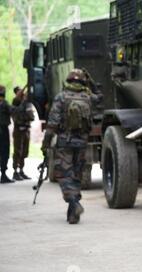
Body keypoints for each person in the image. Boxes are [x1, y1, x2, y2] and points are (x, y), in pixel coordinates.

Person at [41, 69, 100, 224]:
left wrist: (46, 143)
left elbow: (52, 122)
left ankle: (74, 203)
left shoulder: (61, 97)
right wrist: (91, 81)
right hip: (82, 143)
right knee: (76, 174)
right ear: (82, 82)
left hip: (65, 143)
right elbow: (100, 97)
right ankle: (72, 214)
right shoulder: (88, 97)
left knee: (65, 175)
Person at [11, 86, 35, 180]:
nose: (22, 93)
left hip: (26, 129)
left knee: (24, 151)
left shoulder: (26, 103)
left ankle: (21, 170)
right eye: (20, 91)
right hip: (19, 130)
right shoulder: (16, 102)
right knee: (18, 151)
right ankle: (15, 171)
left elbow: (31, 116)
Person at [0, 85, 15, 184]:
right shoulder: (4, 103)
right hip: (2, 130)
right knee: (4, 152)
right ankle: (3, 175)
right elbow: (14, 111)